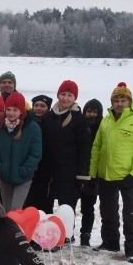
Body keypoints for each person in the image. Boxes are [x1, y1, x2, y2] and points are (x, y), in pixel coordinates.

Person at [89, 82, 133, 264]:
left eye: (122, 100)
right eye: (116, 100)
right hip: (106, 175)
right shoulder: (106, 120)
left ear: (129, 101)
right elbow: (96, 147)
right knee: (108, 211)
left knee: (131, 213)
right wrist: (93, 173)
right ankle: (110, 242)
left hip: (128, 176)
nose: (119, 103)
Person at [42, 80, 91, 228]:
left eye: (70, 95)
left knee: (67, 208)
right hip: (49, 171)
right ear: (58, 95)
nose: (65, 98)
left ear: (74, 97)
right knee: (46, 206)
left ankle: (67, 236)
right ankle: (46, 234)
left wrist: (83, 174)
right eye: (63, 94)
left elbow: (85, 148)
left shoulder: (80, 120)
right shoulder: (48, 117)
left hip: (70, 172)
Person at [0, 92, 42, 211]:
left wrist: (24, 170)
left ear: (21, 111)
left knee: (15, 210)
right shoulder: (0, 127)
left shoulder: (33, 128)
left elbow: (35, 154)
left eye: (15, 109)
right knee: (6, 210)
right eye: (8, 109)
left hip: (23, 177)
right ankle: (8, 230)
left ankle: (17, 229)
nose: (11, 113)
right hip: (4, 177)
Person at [78, 99, 103, 247]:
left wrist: (95, 176)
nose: (91, 114)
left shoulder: (102, 129)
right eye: (89, 111)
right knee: (71, 204)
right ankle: (68, 233)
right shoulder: (79, 126)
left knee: (88, 207)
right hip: (76, 172)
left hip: (93, 175)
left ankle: (85, 234)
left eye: (95, 112)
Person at [23, 94, 54, 213]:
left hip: (46, 169)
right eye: (36, 105)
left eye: (43, 106)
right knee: (28, 202)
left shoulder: (52, 123)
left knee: (44, 203)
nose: (39, 108)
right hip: (29, 167)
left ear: (48, 108)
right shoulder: (27, 122)